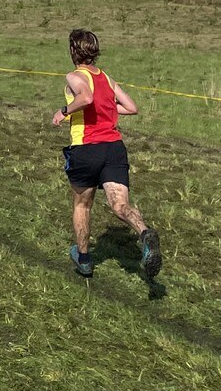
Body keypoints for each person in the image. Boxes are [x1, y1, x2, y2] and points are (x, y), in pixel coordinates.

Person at [50, 29, 161, 279]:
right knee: (120, 205)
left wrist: (64, 111)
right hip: (113, 148)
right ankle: (144, 233)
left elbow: (86, 97)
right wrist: (108, 108)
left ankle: (85, 260)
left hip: (86, 149)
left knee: (82, 204)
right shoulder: (106, 78)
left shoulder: (74, 76)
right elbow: (132, 108)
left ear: (72, 51)